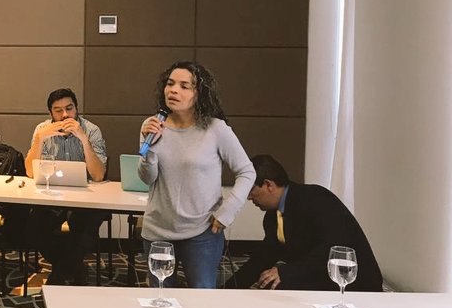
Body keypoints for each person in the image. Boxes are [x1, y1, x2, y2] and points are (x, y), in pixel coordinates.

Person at [138, 61, 254, 289]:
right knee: (160, 299)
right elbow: (147, 178)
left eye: (184, 86)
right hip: (158, 231)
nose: (173, 90)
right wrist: (150, 150)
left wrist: (227, 212)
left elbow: (247, 171)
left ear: (199, 94)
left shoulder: (215, 129)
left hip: (202, 233)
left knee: (202, 299)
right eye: (170, 84)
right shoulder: (153, 125)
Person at [224, 154, 384, 291]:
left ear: (268, 185)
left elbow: (331, 249)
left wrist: (285, 272)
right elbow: (263, 257)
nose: (248, 197)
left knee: (278, 285)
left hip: (351, 280)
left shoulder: (316, 199)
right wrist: (226, 290)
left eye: (250, 190)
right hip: (315, 274)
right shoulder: (272, 217)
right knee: (270, 283)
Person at [20, 87, 109, 285]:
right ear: (50, 113)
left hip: (86, 197)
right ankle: (73, 266)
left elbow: (98, 175)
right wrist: (39, 139)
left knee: (85, 233)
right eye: (58, 110)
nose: (65, 115)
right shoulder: (42, 130)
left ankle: (58, 276)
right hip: (51, 196)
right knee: (34, 230)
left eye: (69, 108)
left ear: (76, 108)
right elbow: (30, 172)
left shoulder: (91, 130)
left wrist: (83, 139)